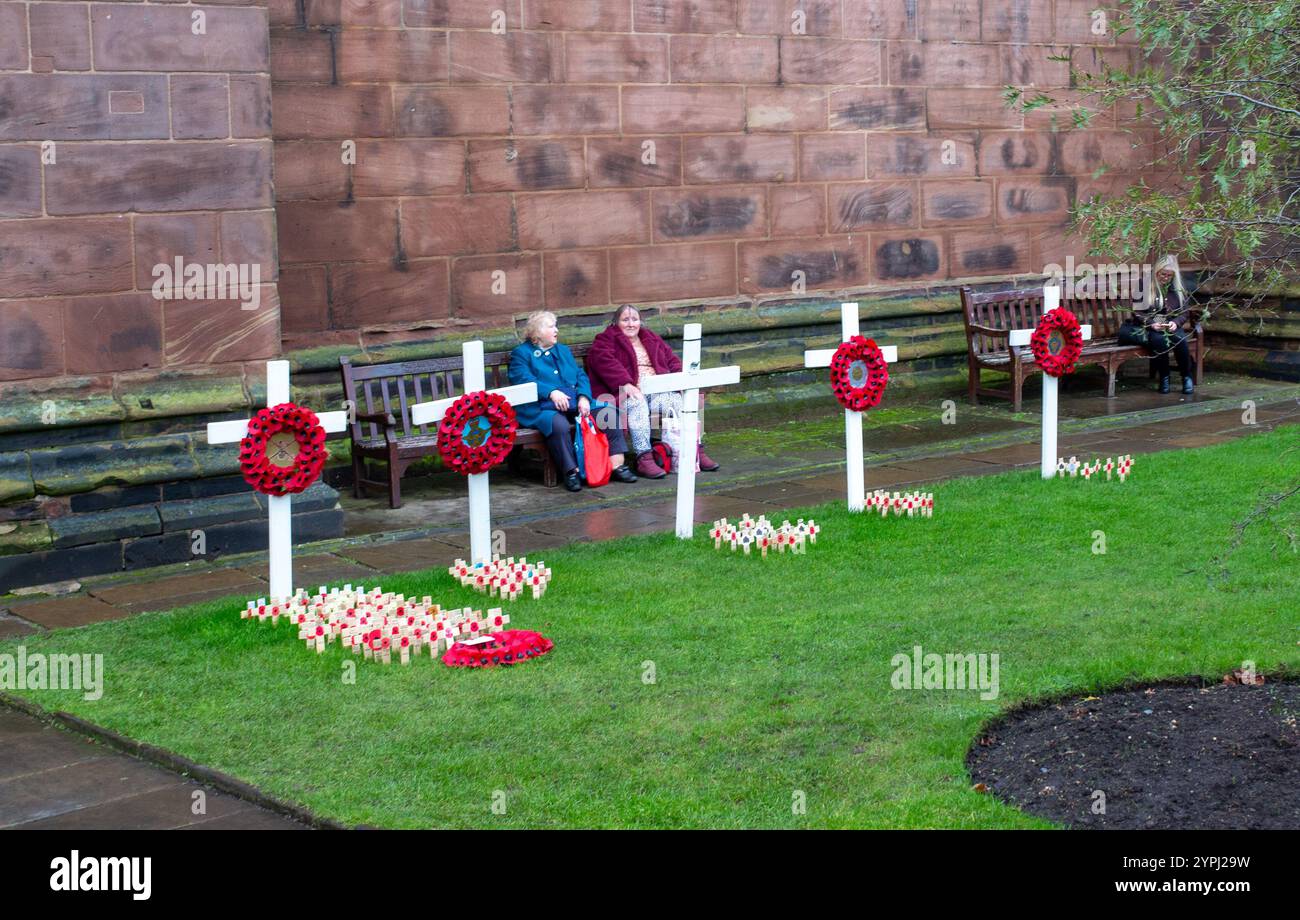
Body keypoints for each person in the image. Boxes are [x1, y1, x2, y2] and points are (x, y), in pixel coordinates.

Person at [585, 304, 721, 479]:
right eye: (625, 320)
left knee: (680, 400)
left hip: (656, 391)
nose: (631, 324)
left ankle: (694, 451)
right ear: (616, 322)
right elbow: (603, 361)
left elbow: (672, 360)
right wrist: (625, 383)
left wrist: (681, 381)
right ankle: (644, 458)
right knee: (636, 401)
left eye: (634, 319)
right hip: (622, 394)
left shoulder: (650, 337)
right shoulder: (605, 340)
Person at [508, 311, 638, 492]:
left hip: (574, 403)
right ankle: (571, 472)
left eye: (556, 326)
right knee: (558, 425)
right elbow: (522, 379)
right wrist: (551, 392)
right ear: (536, 332)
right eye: (551, 326)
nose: (556, 330)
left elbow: (580, 376)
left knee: (608, 413)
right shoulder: (521, 354)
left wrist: (584, 397)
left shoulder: (562, 350)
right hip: (540, 408)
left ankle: (617, 465)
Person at [1135, 254, 1195, 395]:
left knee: (1180, 340)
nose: (1166, 278)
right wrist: (1151, 324)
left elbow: (1185, 312)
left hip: (1171, 323)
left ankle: (1186, 377)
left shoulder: (1177, 287)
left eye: (1169, 275)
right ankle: (1164, 377)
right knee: (1159, 340)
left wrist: (1175, 322)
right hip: (1153, 324)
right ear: (1156, 271)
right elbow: (1137, 311)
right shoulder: (1145, 284)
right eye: (1163, 274)